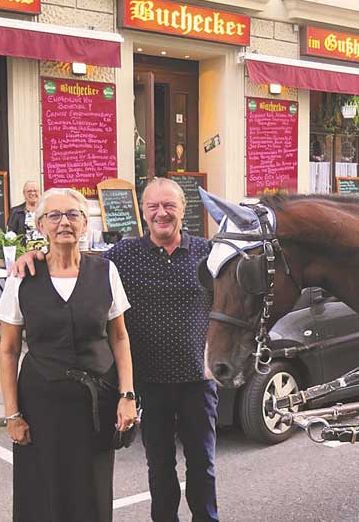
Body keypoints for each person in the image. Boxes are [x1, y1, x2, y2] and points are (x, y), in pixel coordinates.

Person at [13, 177, 217, 522]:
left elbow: (238, 295)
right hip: (149, 382)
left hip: (198, 378)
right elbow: (79, 264)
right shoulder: (123, 256)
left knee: (203, 465)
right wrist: (36, 253)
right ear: (143, 212)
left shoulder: (209, 254)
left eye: (169, 205)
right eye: (152, 206)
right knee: (160, 468)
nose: (161, 213)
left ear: (184, 210)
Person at [0, 188, 137, 522]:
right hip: (41, 406)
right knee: (41, 493)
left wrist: (127, 394)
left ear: (85, 223)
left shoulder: (105, 271)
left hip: (95, 407)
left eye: (73, 215)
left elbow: (119, 336)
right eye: (54, 216)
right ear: (40, 225)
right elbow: (8, 350)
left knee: (92, 492)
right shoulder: (22, 277)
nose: (64, 223)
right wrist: (12, 414)